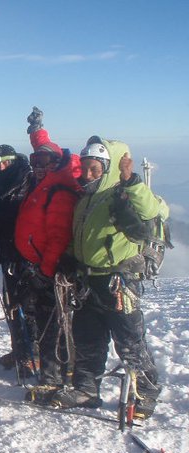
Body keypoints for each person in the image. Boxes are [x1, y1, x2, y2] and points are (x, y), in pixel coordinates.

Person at [51, 138, 167, 418]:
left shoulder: (121, 194)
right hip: (88, 279)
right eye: (85, 169)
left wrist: (131, 182)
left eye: (95, 170)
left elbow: (154, 211)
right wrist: (69, 257)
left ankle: (146, 394)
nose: (88, 175)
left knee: (129, 340)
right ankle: (86, 390)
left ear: (107, 168)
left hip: (119, 280)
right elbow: (81, 236)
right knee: (88, 337)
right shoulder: (86, 199)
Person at [15, 107, 81, 401]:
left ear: (57, 162)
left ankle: (52, 378)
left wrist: (45, 270)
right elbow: (45, 148)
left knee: (51, 322)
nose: (38, 165)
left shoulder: (60, 190)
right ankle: (51, 374)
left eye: (44, 161)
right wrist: (35, 131)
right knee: (43, 320)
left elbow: (58, 237)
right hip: (37, 264)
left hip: (49, 271)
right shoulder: (50, 179)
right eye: (34, 161)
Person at [0, 145, 35, 371]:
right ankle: (20, 351)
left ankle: (34, 355)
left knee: (30, 307)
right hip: (8, 254)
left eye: (6, 162)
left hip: (30, 256)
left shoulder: (29, 181)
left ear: (14, 161)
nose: (1, 166)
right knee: (13, 305)